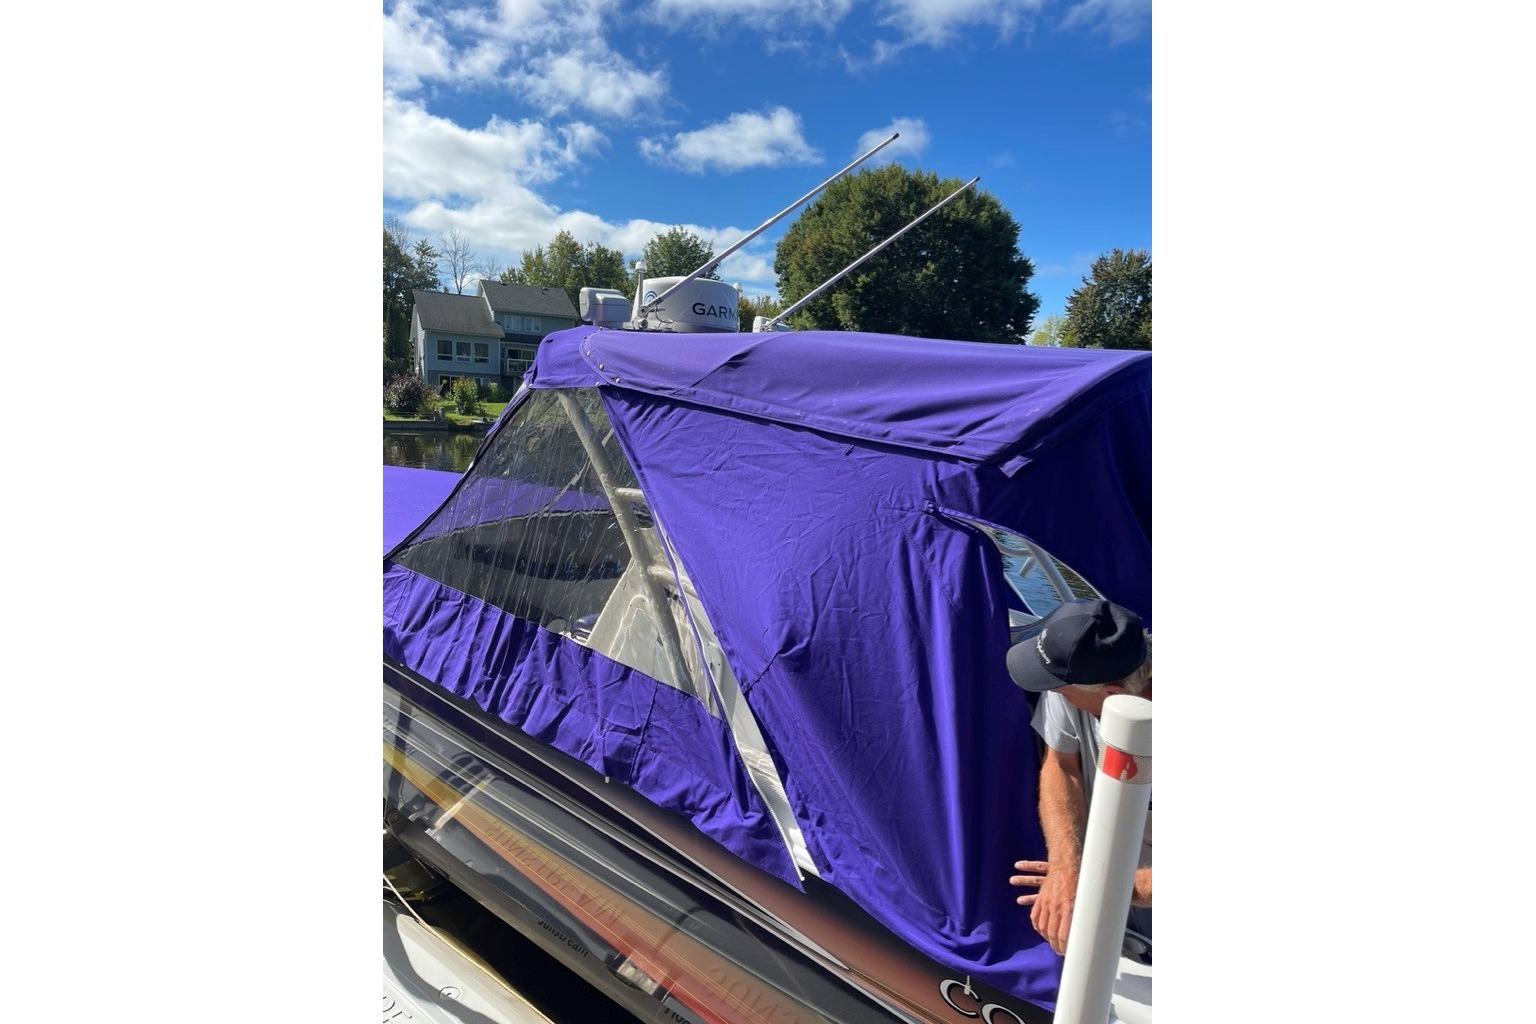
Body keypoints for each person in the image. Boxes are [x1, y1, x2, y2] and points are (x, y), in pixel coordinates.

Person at [1005, 598, 1152, 962]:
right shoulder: (1080, 675)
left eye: (1060, 689)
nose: (1053, 693)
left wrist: (1101, 885)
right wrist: (1066, 869)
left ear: (1113, 696)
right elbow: (1061, 764)